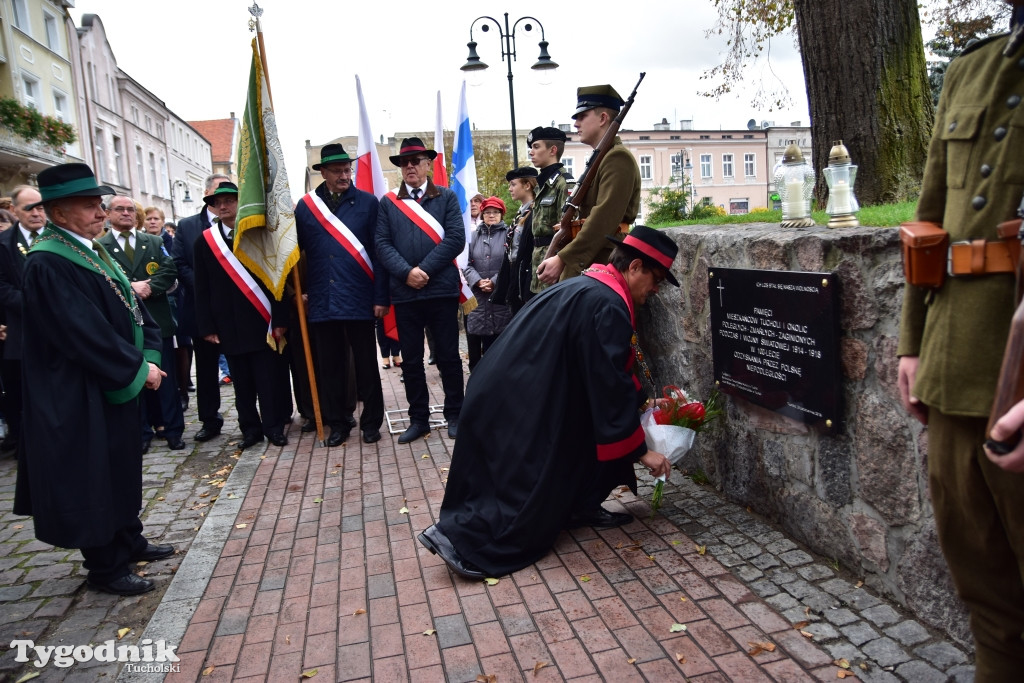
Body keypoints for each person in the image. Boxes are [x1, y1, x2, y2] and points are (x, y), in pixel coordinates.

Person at [421, 226, 676, 579]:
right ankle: (463, 543)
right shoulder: (607, 303)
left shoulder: (591, 287)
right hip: (516, 396)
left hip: (507, 385)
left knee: (581, 437)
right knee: (522, 484)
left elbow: (606, 370)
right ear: (635, 267)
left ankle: (580, 505)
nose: (656, 289)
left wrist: (644, 401)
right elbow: (607, 384)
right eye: (656, 279)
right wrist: (641, 451)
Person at [898, 6, 1024, 678]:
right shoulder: (975, 68)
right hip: (955, 372)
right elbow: (929, 221)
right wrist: (913, 342)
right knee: (989, 606)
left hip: (1018, 384)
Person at [13, 162, 173, 596]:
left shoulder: (90, 248)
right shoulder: (48, 261)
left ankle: (128, 540)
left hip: (110, 381)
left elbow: (133, 311)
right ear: (58, 213)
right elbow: (82, 333)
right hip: (77, 390)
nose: (100, 211)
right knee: (94, 474)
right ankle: (105, 567)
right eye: (88, 205)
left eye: (98, 203)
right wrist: (139, 369)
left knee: (120, 466)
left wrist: (151, 354)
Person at [294, 144, 387, 445]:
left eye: (348, 170)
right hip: (323, 298)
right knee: (330, 367)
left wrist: (381, 297)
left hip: (360, 296)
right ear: (322, 172)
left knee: (365, 365)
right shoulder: (306, 208)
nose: (345, 175)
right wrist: (303, 292)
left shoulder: (368, 203)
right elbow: (296, 254)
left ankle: (371, 422)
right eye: (338, 171)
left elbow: (379, 252)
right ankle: (338, 422)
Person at [376, 137, 466, 443]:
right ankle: (419, 419)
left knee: (449, 357)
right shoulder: (388, 203)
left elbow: (455, 238)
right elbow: (381, 244)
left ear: (428, 164)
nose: (410, 166)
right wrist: (406, 272)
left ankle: (455, 414)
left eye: (416, 161)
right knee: (411, 361)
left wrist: (423, 270)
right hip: (405, 293)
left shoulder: (446, 197)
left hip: (440, 290)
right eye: (405, 162)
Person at [194, 182, 288, 449]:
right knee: (242, 385)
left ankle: (274, 427)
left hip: (261, 321)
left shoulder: (259, 233)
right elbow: (201, 288)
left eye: (229, 200)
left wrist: (280, 319)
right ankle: (250, 430)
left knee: (267, 380)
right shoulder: (205, 241)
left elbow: (276, 279)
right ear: (212, 207)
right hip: (229, 324)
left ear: (239, 202)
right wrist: (207, 327)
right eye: (218, 202)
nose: (224, 206)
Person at [98, 196, 185, 452]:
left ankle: (173, 430)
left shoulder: (155, 242)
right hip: (123, 325)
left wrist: (149, 287)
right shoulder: (99, 246)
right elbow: (100, 279)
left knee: (167, 378)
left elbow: (169, 270)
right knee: (134, 379)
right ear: (108, 214)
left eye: (130, 209)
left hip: (156, 321)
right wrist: (130, 289)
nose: (126, 213)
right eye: (119, 209)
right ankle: (142, 432)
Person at [537, 85, 640, 285]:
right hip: (592, 264)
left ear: (603, 118)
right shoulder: (600, 158)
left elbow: (604, 218)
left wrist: (564, 258)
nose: (575, 123)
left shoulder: (617, 157)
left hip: (604, 264)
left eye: (582, 116)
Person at [172, 173, 232, 442]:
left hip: (236, 308)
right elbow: (179, 263)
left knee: (242, 365)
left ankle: (252, 417)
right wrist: (205, 285)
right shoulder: (186, 226)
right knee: (207, 370)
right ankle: (210, 419)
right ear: (207, 194)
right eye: (218, 192)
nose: (223, 199)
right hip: (201, 309)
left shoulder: (241, 223)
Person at [0, 186, 45, 456]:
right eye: (29, 208)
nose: (36, 212)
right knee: (20, 391)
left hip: (58, 330)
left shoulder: (60, 239)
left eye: (40, 207)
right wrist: (33, 304)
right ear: (15, 210)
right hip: (20, 329)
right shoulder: (4, 244)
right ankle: (24, 443)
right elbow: (2, 286)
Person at [463, 196, 511, 372]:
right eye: (488, 212)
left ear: (501, 214)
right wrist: (477, 281)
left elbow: (511, 263)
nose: (491, 215)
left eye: (495, 212)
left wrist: (494, 282)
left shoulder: (509, 234)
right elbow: (465, 264)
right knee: (475, 353)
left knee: (498, 350)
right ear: (482, 214)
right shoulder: (473, 236)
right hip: (477, 298)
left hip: (500, 298)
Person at [526, 126, 574, 294]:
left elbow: (569, 230)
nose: (531, 152)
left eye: (536, 146)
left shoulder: (564, 183)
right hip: (539, 261)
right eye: (531, 147)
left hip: (555, 264)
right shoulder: (542, 185)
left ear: (553, 150)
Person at [494, 167, 539, 315]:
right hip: (515, 272)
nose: (510, 189)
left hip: (526, 275)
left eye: (513, 184)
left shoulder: (536, 212)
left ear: (527, 185)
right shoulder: (521, 213)